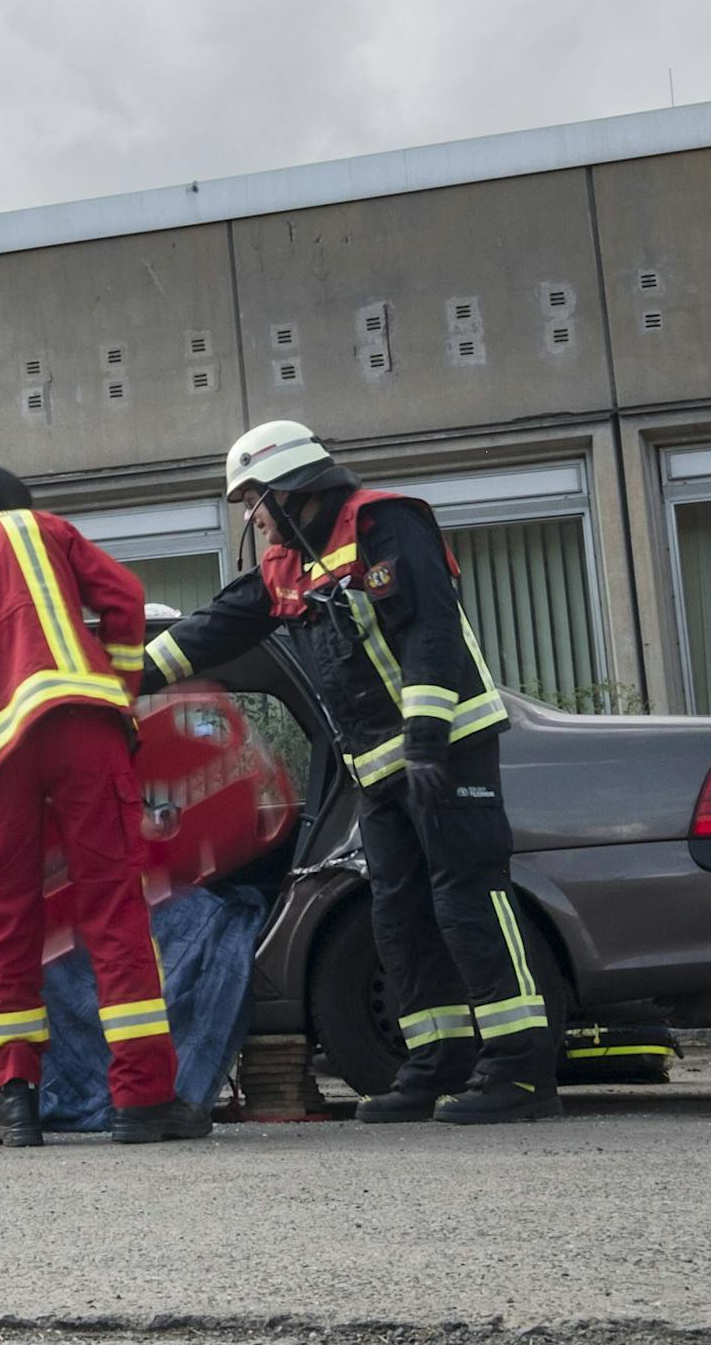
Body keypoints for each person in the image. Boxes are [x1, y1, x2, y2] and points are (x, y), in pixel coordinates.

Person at [141, 420, 559, 1124]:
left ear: (291, 488)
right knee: (398, 912)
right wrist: (124, 678)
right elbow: (218, 625)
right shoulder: (290, 566)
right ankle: (436, 1062)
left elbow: (431, 632)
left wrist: (427, 737)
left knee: (467, 897)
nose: (251, 516)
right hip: (381, 768)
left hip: (446, 747)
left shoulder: (386, 524)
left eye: (254, 499)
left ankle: (521, 1071)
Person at [0, 450, 207, 1150]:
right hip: (84, 734)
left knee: (2, 923)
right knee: (115, 911)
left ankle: (14, 1102)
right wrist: (115, 690)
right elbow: (123, 599)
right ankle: (144, 1102)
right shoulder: (41, 530)